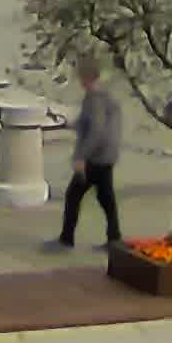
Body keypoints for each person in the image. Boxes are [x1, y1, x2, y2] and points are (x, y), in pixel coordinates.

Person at [54, 59, 123, 251]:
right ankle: (114, 238)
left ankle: (66, 239)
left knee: (74, 195)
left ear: (86, 78)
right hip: (107, 153)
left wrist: (81, 157)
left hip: (96, 156)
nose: (79, 82)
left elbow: (96, 129)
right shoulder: (105, 95)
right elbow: (89, 122)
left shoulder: (94, 98)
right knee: (105, 197)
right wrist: (70, 124)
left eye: (81, 77)